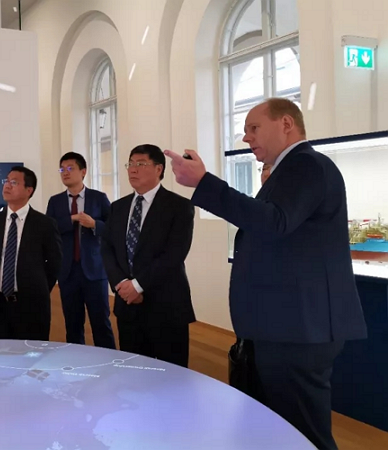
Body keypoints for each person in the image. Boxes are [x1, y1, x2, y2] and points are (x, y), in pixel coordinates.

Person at [165, 98, 367, 450]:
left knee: (303, 434)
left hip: (298, 331)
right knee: (279, 430)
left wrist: (205, 183)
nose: (246, 138)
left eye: (254, 128)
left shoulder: (307, 164)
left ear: (286, 124)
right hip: (285, 326)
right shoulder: (289, 170)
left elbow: (274, 222)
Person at [101, 144, 195, 367]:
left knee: (171, 375)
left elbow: (174, 254)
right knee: (134, 371)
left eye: (141, 164)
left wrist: (138, 285)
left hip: (166, 306)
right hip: (128, 306)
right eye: (130, 164)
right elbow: (107, 248)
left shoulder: (179, 207)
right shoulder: (118, 207)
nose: (133, 169)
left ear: (158, 169)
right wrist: (122, 284)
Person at [46, 152, 116, 349]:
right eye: (62, 169)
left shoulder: (98, 198)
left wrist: (94, 224)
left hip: (94, 270)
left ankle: (109, 360)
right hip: (68, 271)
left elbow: (113, 228)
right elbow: (49, 230)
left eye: (70, 168)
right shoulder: (55, 201)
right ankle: (76, 361)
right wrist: (72, 219)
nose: (65, 172)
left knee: (101, 322)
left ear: (83, 171)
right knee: (73, 324)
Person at [0, 166, 62, 341]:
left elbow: (55, 262)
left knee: (32, 353)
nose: (7, 185)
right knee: (0, 352)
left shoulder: (44, 224)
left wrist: (39, 288)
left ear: (29, 190)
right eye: (6, 181)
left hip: (31, 305)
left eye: (14, 182)